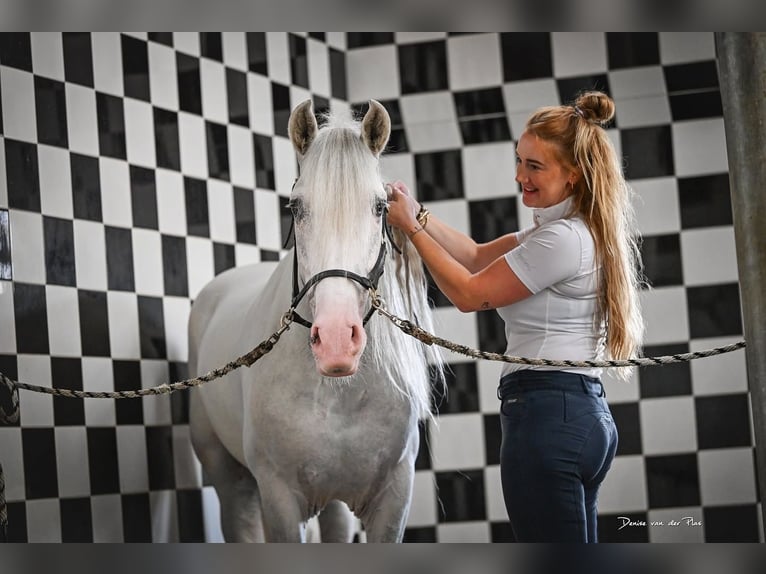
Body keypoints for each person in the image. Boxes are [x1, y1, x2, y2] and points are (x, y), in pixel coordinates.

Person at [385, 91, 644, 542]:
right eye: (519, 160)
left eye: (534, 166)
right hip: (581, 413)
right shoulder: (567, 229)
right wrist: (418, 213)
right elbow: (476, 255)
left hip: (548, 416)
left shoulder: (562, 239)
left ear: (574, 175)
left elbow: (468, 292)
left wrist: (409, 228)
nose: (519, 175)